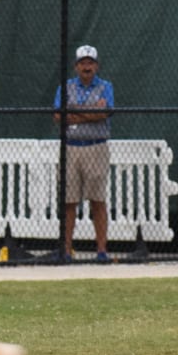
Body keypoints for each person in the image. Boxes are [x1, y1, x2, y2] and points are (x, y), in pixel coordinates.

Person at [52, 45, 113, 263]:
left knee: (97, 199)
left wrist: (75, 112)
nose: (87, 67)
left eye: (90, 63)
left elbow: (105, 112)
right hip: (71, 147)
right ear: (76, 66)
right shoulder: (66, 87)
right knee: (69, 201)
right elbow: (59, 115)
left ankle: (102, 251)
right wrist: (91, 112)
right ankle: (66, 251)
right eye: (83, 63)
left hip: (96, 146)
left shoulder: (106, 87)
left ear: (96, 65)